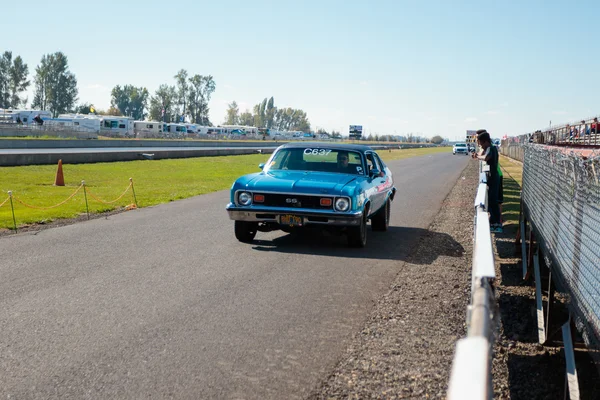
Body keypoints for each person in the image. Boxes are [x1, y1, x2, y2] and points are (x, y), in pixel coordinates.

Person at [472, 129, 502, 232]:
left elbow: (486, 157)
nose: (479, 145)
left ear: (485, 141)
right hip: (491, 177)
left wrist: (478, 156)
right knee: (490, 200)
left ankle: (497, 224)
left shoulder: (491, 148)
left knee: (493, 201)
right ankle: (494, 222)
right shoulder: (489, 147)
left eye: (480, 142)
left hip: (493, 178)